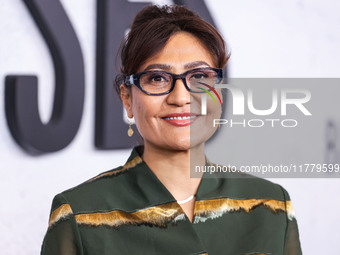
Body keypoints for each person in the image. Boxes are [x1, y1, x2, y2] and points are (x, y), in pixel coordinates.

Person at [40, 4, 302, 255]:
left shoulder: (271, 205)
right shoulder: (79, 213)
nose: (180, 97)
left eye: (199, 77)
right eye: (157, 78)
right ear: (127, 99)